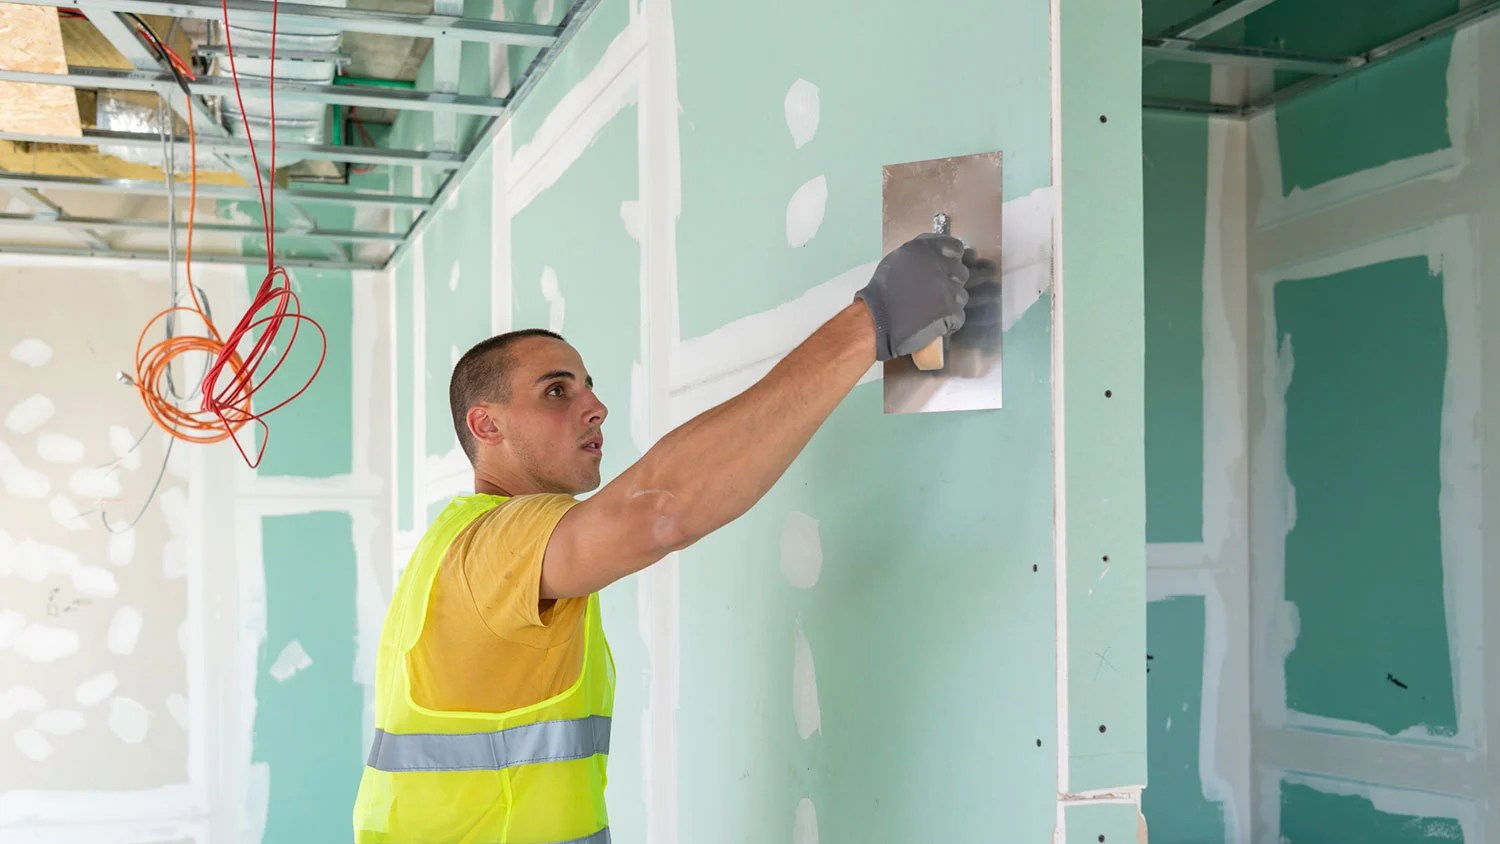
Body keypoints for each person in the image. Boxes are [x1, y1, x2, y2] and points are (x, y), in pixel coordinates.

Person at [352, 233, 988, 843]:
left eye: (589, 386)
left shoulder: (459, 547)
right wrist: (869, 323)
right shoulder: (494, 547)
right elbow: (660, 511)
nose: (595, 406)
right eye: (557, 391)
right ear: (486, 426)